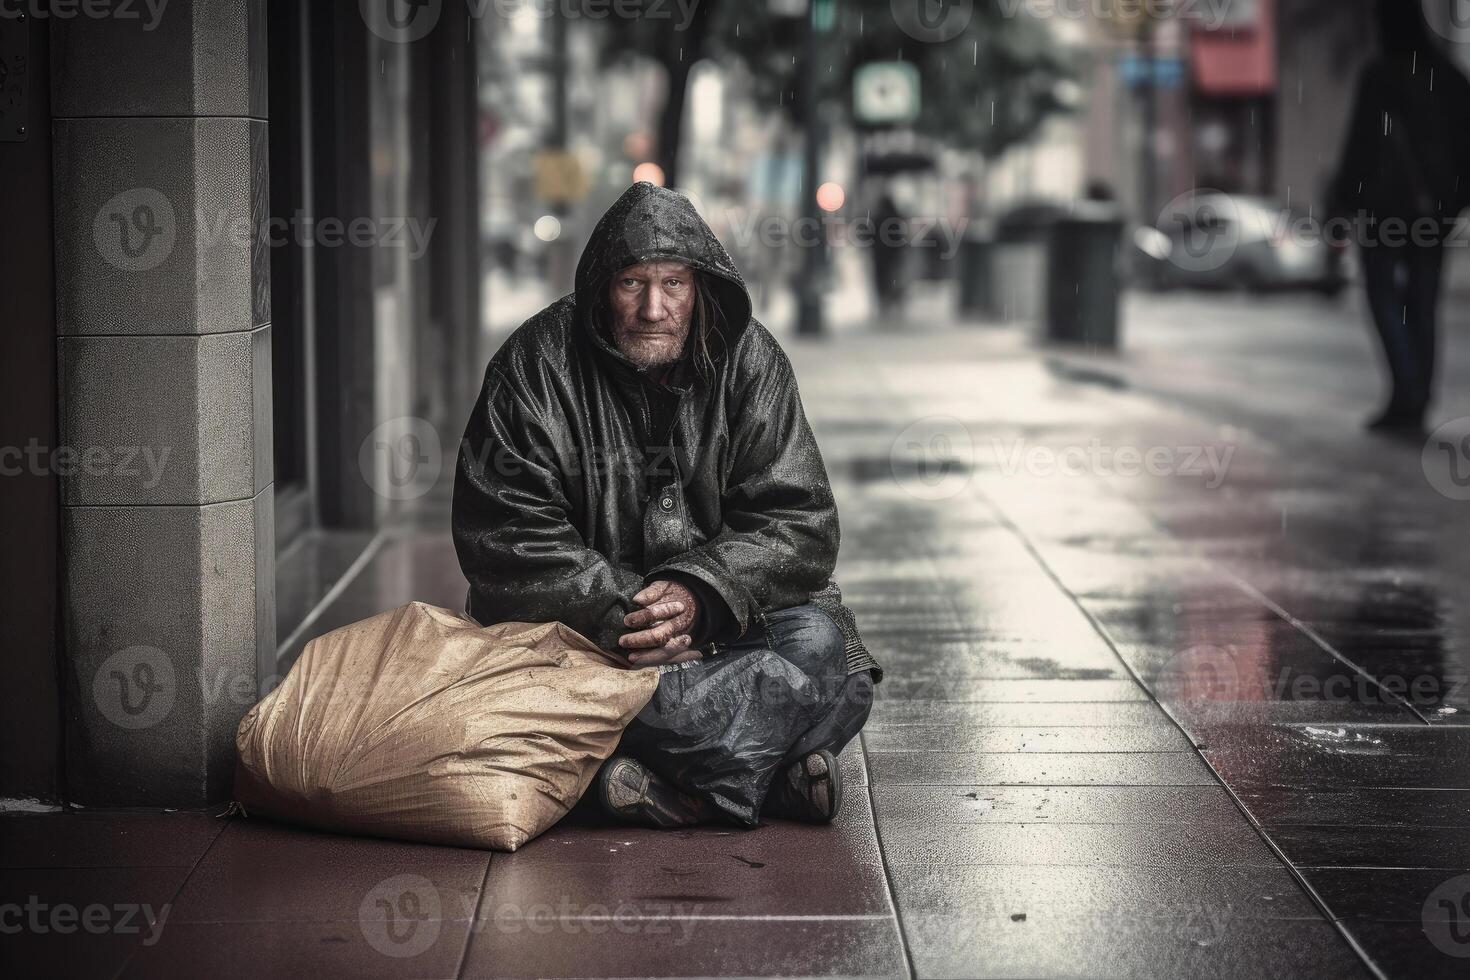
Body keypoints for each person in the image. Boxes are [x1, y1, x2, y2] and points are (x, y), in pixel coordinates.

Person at [452, 181, 881, 829]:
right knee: (541, 689)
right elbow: (508, 537)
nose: (654, 308)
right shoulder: (533, 367)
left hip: (717, 627)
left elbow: (799, 521)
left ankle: (646, 780)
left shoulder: (750, 359)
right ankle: (773, 777)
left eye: (673, 285)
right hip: (583, 640)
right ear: (601, 285)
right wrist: (631, 618)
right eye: (632, 284)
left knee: (823, 647)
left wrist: (701, 595)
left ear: (700, 287)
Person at [1329, 0, 1470, 434]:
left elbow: (1360, 145)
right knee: (1423, 304)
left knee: (1384, 296)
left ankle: (1405, 390)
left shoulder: (1381, 75)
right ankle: (1416, 395)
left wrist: (1342, 204)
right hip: (1433, 213)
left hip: (1385, 211)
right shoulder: (1450, 78)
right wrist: (1454, 201)